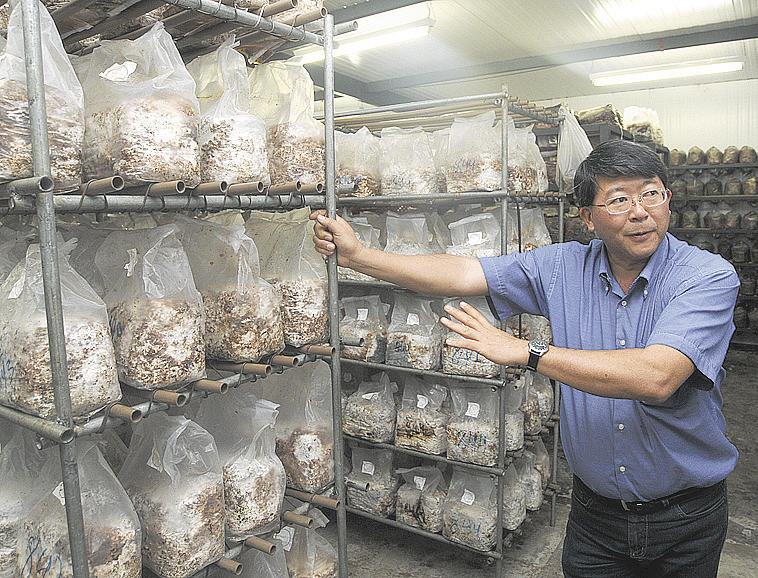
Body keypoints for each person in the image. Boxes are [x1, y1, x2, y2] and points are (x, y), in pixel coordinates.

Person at [311, 139, 738, 577]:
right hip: (595, 518)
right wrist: (361, 256)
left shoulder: (706, 277)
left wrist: (525, 352)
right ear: (588, 219)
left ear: (667, 199)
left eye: (651, 193)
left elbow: (657, 376)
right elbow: (463, 272)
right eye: (619, 199)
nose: (640, 210)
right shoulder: (562, 267)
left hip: (684, 519)